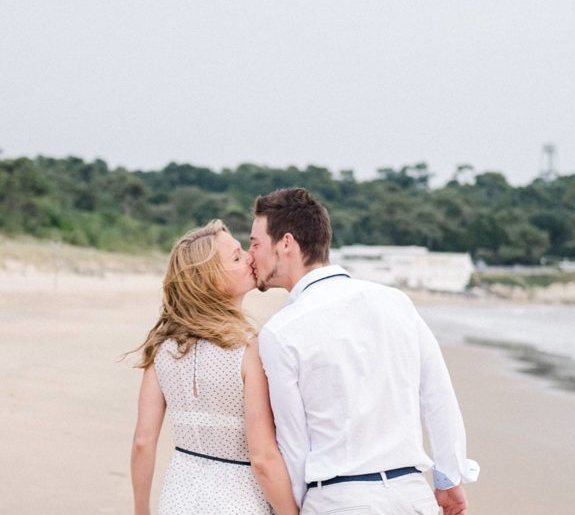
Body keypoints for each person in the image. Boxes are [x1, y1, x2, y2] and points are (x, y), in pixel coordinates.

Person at [248, 188, 479, 515]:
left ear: (286, 243)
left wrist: (302, 508)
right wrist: (448, 479)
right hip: (412, 495)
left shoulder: (280, 331)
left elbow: (294, 444)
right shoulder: (395, 301)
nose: (250, 254)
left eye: (255, 243)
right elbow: (438, 394)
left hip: (338, 499)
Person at [130, 220, 298, 515]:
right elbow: (262, 458)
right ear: (209, 280)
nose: (249, 256)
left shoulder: (162, 346)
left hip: (178, 499)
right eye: (236, 257)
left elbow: (143, 442)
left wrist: (141, 510)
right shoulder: (248, 349)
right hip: (240, 501)